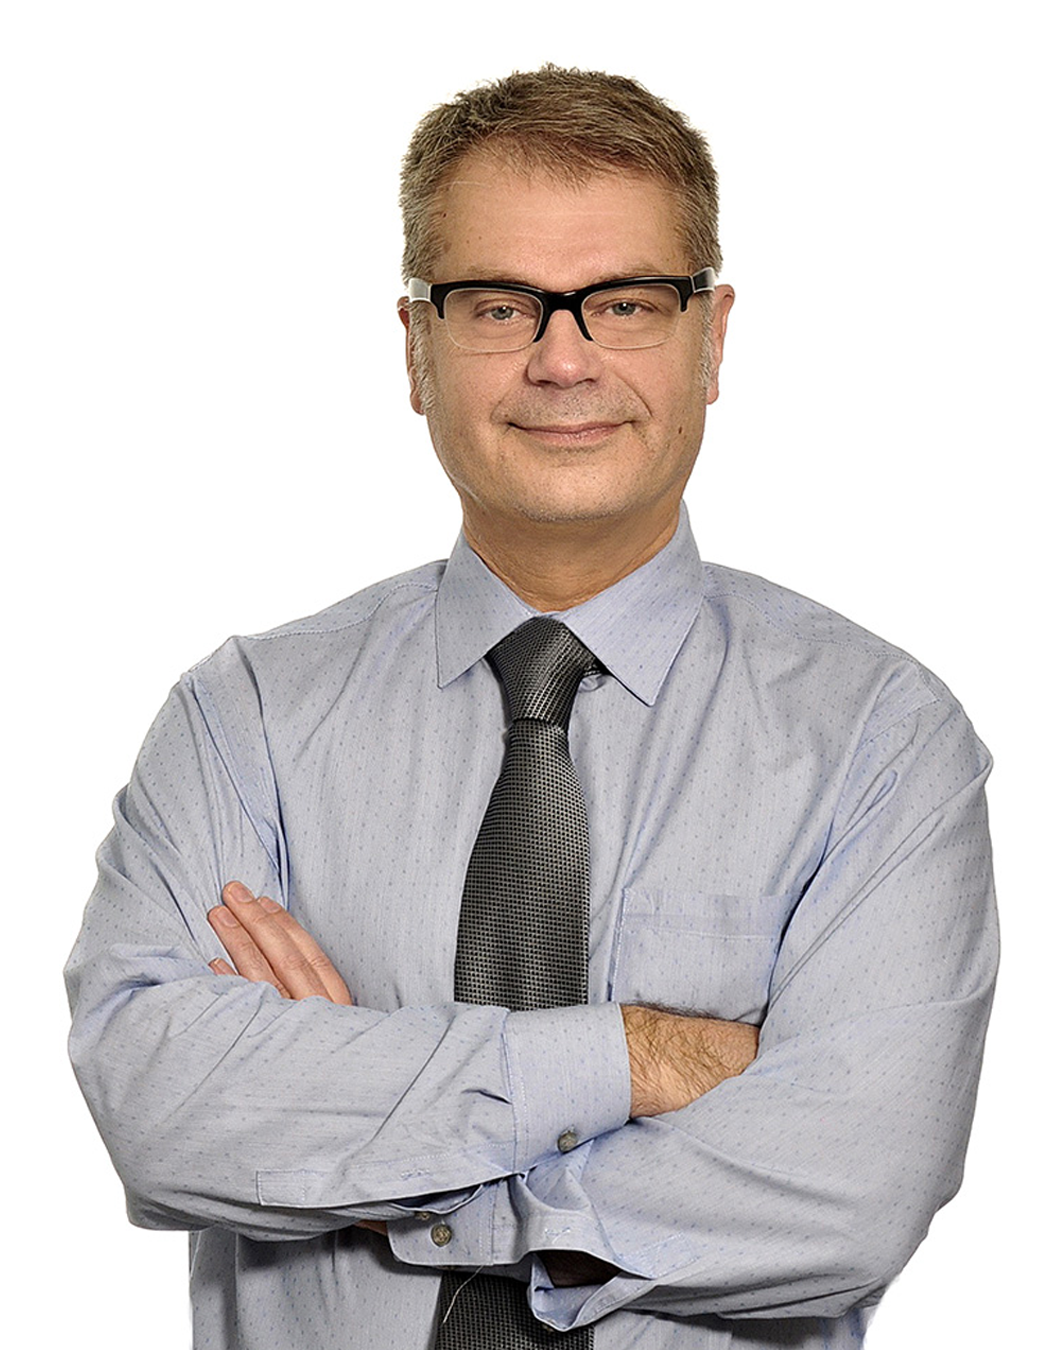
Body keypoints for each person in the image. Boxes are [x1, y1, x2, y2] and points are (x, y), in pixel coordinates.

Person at [65, 65, 997, 1350]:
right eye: (500, 304)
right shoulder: (249, 721)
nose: (564, 359)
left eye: (623, 303)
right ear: (416, 346)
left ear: (711, 338)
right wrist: (637, 1057)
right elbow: (166, 1111)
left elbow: (852, 1193)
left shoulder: (880, 741)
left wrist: (372, 1130)